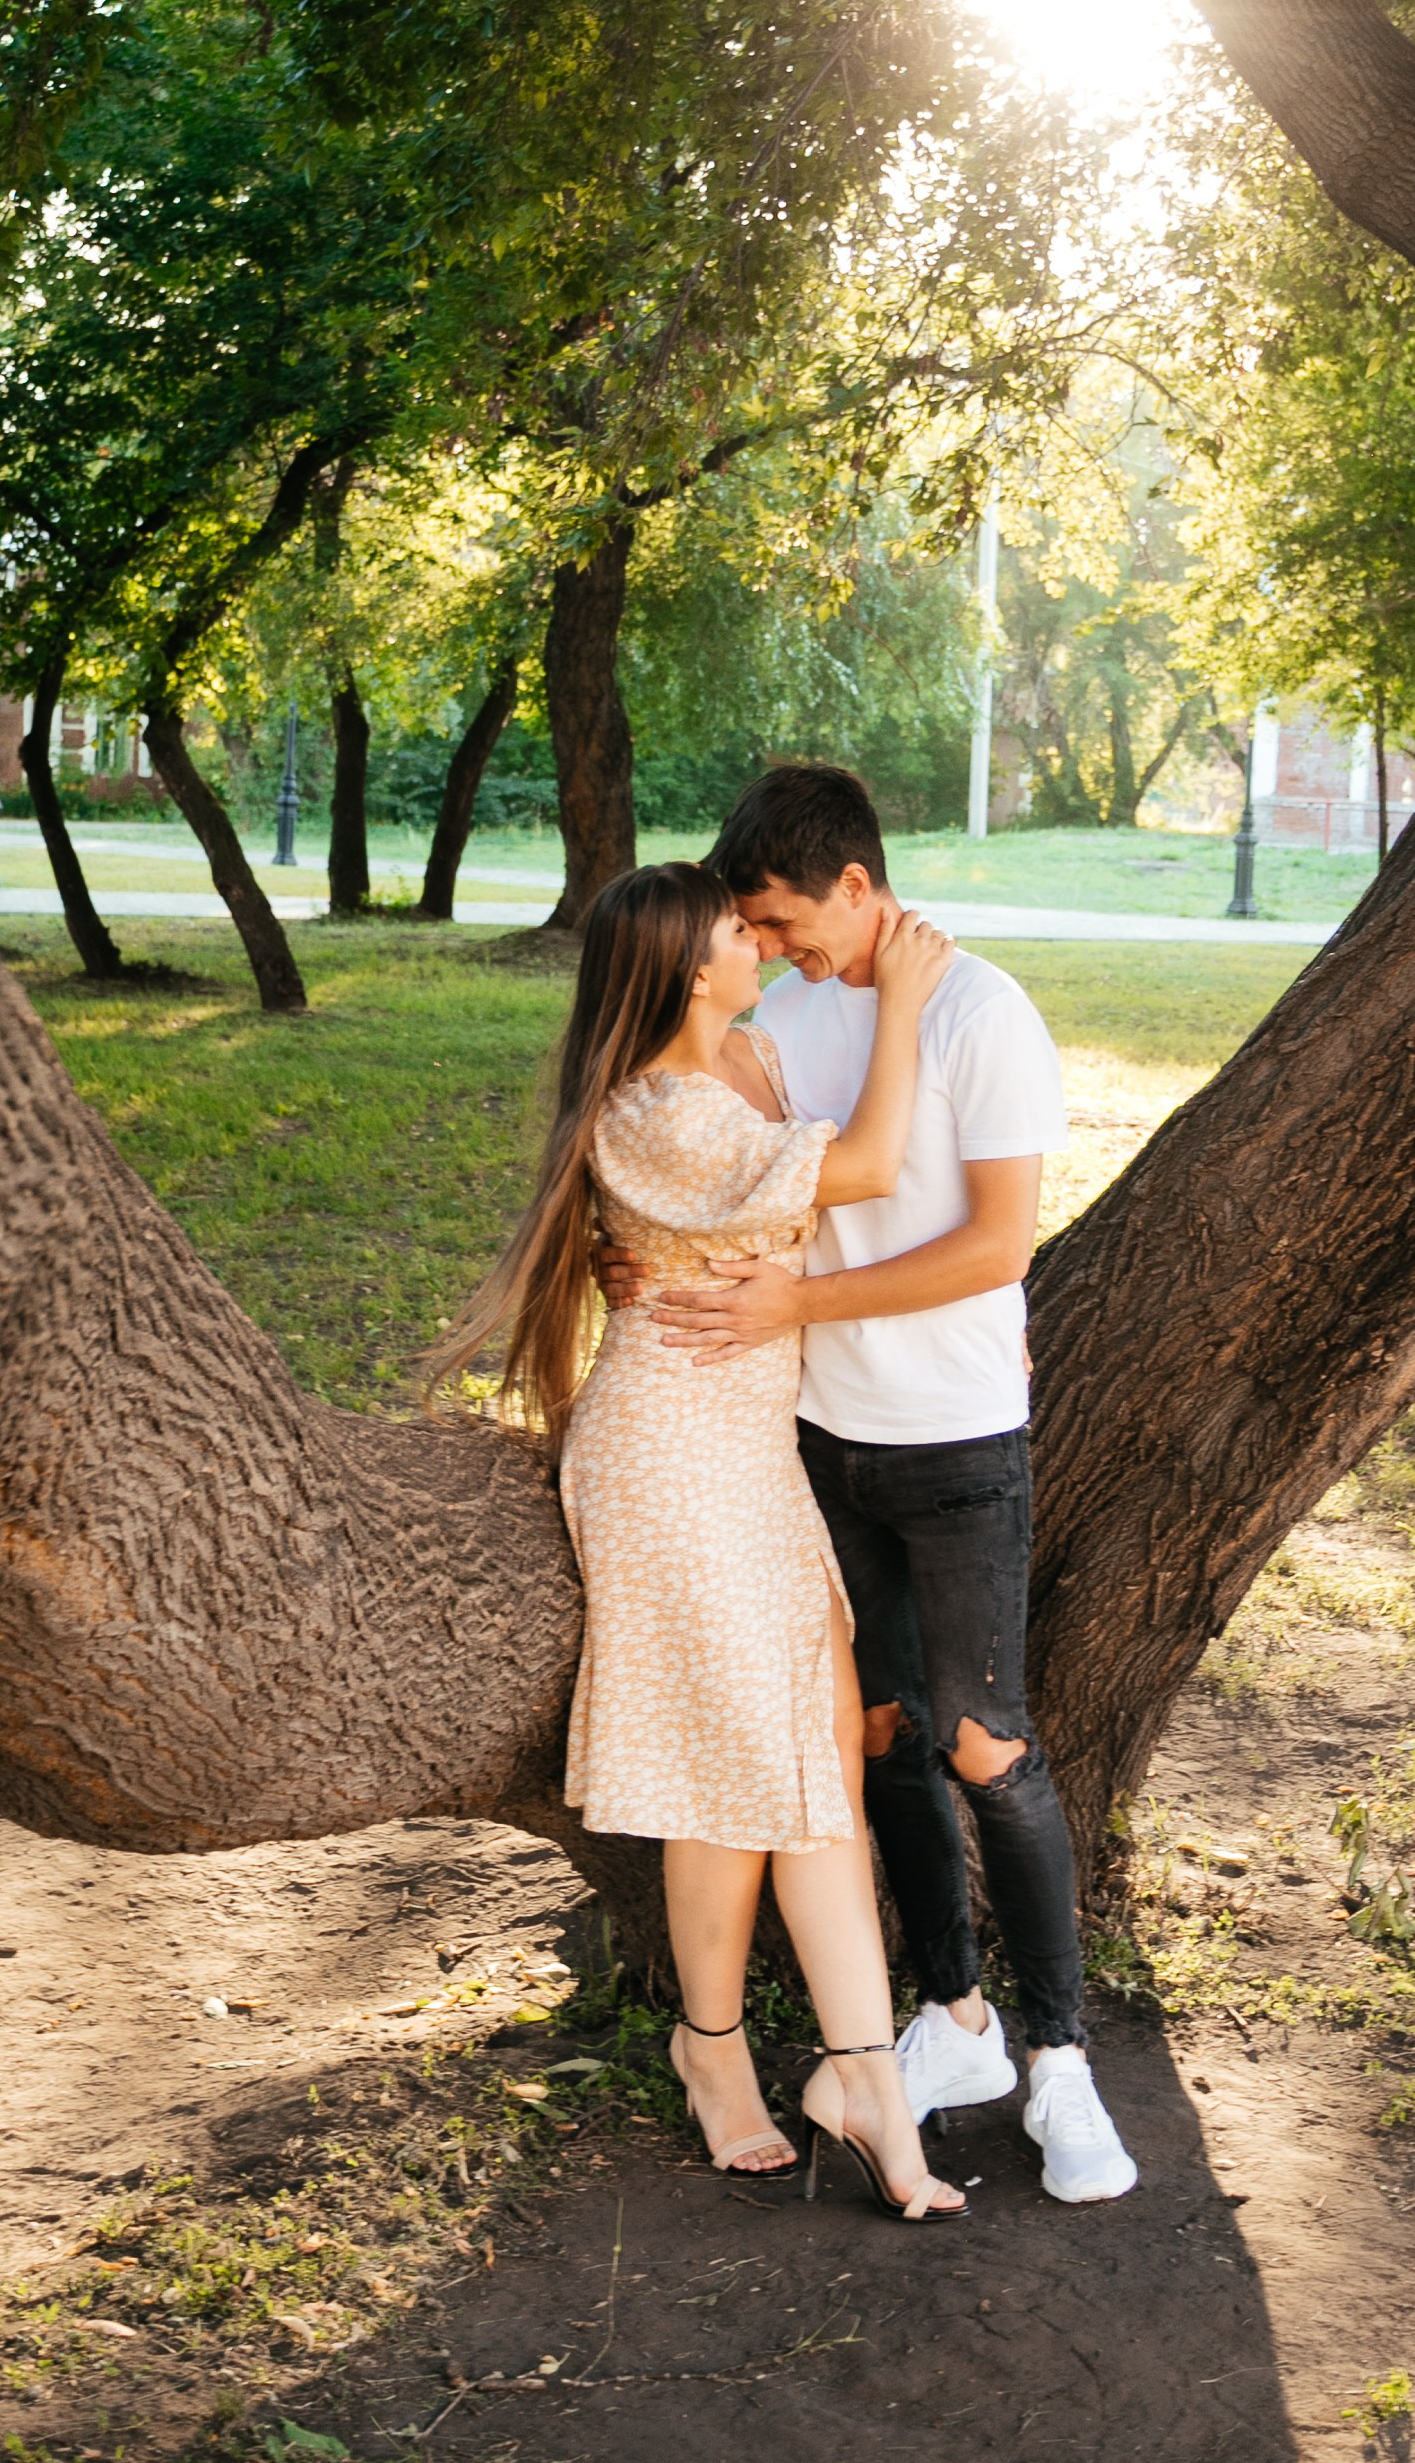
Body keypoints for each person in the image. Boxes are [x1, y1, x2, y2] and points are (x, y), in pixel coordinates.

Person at [434, 859, 965, 2222]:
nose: (759, 941)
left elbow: (805, 1139)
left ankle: (819, 2070)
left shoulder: (748, 1064)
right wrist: (905, 1000)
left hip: (746, 1455)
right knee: (766, 1768)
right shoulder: (660, 1109)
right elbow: (867, 1163)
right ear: (687, 969)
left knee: (793, 1761)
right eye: (741, 931)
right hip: (671, 1459)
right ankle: (762, 2062)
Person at [638, 763, 1139, 2206]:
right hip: (813, 1441)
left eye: (790, 918)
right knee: (881, 1737)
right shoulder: (784, 1017)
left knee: (987, 1742)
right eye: (759, 930)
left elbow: (993, 1250)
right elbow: (739, 1180)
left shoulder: (983, 1013)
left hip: (958, 1437)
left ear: (856, 884)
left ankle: (1059, 2064)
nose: (778, 946)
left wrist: (794, 1312)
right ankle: (954, 2022)